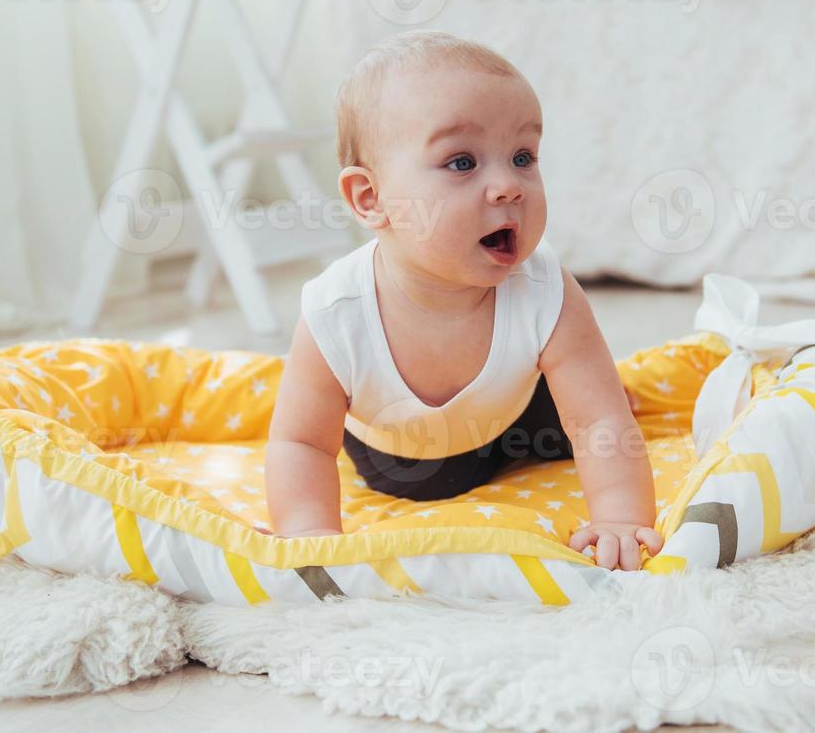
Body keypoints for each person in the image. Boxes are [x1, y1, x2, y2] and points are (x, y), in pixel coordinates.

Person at [265, 30, 661, 571]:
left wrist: (620, 517)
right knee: (424, 482)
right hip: (401, 456)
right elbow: (301, 444)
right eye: (461, 163)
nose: (509, 186)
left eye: (523, 156)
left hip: (522, 412)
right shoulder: (337, 313)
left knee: (591, 408)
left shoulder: (547, 291)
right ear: (371, 198)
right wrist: (309, 533)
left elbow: (599, 423)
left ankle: (559, 399)